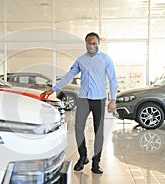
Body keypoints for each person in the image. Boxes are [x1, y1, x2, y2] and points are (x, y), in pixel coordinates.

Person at [40, 32, 117, 174]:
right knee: (78, 128)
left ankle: (96, 162)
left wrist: (113, 99)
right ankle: (83, 157)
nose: (91, 46)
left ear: (99, 43)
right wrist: (53, 90)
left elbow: (112, 79)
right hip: (84, 99)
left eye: (94, 43)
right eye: (89, 43)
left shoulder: (106, 59)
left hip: (99, 99)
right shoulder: (81, 60)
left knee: (98, 131)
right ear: (86, 43)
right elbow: (69, 75)